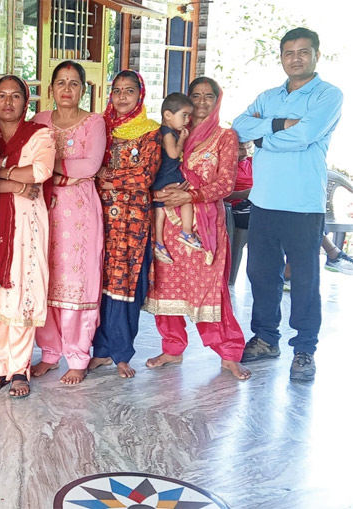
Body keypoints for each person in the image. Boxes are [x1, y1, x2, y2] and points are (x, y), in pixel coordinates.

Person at [232, 27, 343, 381]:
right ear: (281, 57)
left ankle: (305, 349)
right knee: (261, 275)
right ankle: (265, 339)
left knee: (306, 281)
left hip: (302, 204)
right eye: (289, 52)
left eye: (303, 52)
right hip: (263, 201)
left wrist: (263, 139)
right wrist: (279, 124)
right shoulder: (269, 96)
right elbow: (238, 126)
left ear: (316, 55)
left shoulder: (328, 95)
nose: (295, 58)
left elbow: (305, 136)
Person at [144, 77, 252, 380]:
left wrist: (189, 195)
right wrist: (157, 194)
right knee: (166, 286)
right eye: (196, 95)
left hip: (201, 226)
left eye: (209, 96)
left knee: (209, 289)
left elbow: (225, 183)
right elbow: (152, 170)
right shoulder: (172, 132)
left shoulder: (225, 136)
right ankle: (172, 348)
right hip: (167, 222)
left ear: (217, 100)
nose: (202, 102)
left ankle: (229, 353)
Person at [0, 75, 54, 399]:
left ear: (26, 103)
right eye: (1, 96)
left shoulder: (40, 134)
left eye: (15, 97)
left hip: (28, 225)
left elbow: (39, 172)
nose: (7, 103)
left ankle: (20, 367)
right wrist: (13, 183)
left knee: (23, 289)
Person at [30, 61, 106, 385]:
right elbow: (29, 159)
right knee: (45, 278)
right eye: (60, 82)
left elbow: (91, 164)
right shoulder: (39, 121)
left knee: (77, 281)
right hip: (44, 208)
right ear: (50, 89)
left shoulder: (94, 122)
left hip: (80, 210)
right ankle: (49, 352)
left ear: (83, 90)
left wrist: (49, 166)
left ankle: (77, 354)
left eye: (74, 83)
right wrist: (60, 170)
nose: (66, 89)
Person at [91, 70, 160, 379]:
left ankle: (122, 352)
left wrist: (107, 178)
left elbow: (144, 177)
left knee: (127, 285)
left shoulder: (150, 132)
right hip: (100, 216)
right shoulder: (100, 127)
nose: (121, 96)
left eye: (129, 91)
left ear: (140, 95)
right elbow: (90, 167)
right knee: (99, 284)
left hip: (133, 221)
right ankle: (100, 351)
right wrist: (103, 178)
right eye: (117, 90)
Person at [152, 92, 202, 264]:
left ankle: (158, 243)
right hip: (169, 175)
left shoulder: (163, 131)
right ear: (168, 115)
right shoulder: (167, 133)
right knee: (187, 198)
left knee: (159, 212)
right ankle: (187, 232)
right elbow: (173, 154)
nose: (187, 120)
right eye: (184, 115)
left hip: (161, 178)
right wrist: (182, 140)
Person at [224, 141, 253, 285]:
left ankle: (288, 268)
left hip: (256, 203)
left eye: (248, 148)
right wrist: (243, 194)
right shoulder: (225, 166)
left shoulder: (252, 162)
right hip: (237, 208)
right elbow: (218, 194)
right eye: (241, 149)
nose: (246, 153)